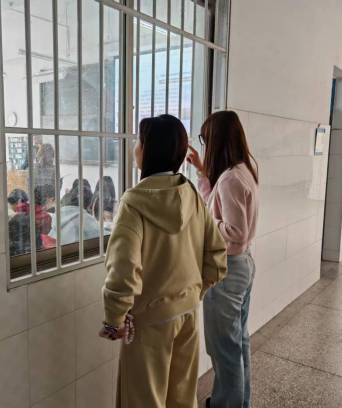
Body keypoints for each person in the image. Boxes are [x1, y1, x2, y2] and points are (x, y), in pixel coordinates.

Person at [100, 114, 228, 408]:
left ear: (149, 150)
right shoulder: (192, 194)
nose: (134, 148)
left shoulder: (133, 203)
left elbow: (122, 270)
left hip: (149, 321)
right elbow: (217, 255)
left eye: (138, 142)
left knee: (144, 400)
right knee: (182, 398)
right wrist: (194, 292)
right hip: (188, 314)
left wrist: (114, 322)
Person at [187, 111, 259, 408]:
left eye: (205, 139)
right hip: (242, 266)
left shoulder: (230, 178)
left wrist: (204, 220)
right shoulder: (242, 170)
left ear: (216, 140)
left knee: (224, 351)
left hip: (228, 270)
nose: (204, 145)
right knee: (237, 343)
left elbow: (235, 232)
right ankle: (233, 402)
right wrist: (202, 174)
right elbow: (218, 205)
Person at [50, 179, 101, 245]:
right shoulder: (83, 216)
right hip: (71, 249)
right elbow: (99, 235)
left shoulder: (60, 212)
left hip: (54, 247)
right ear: (89, 204)